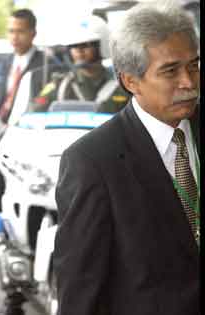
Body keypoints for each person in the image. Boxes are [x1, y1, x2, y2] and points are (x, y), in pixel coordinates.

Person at [54, 2, 199, 315]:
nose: (188, 82)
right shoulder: (92, 162)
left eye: (194, 65)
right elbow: (81, 291)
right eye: (171, 71)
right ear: (130, 81)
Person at [32, 16, 129, 113]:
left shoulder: (122, 85)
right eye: (74, 46)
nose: (79, 50)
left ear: (102, 46)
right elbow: (35, 110)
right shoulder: (61, 83)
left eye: (85, 45)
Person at [0, 8, 49, 124]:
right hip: (1, 124)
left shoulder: (46, 64)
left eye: (20, 31)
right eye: (11, 31)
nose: (14, 37)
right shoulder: (6, 61)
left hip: (29, 125)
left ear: (33, 33)